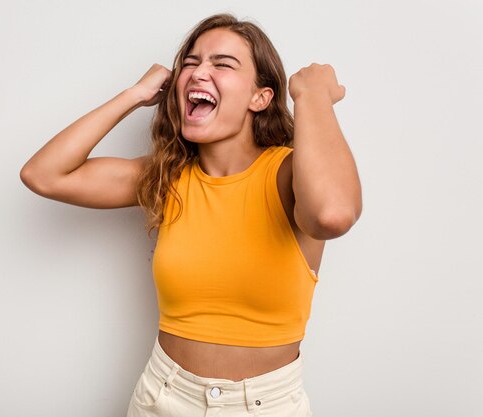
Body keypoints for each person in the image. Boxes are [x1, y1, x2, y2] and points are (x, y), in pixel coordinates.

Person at [20, 13, 362, 417]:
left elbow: (333, 215)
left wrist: (312, 96)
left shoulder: (289, 174)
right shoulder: (167, 177)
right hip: (161, 397)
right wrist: (133, 95)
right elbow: (43, 175)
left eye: (222, 63)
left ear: (261, 97)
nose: (199, 72)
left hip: (266, 406)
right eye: (191, 62)